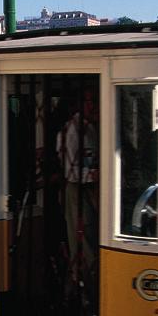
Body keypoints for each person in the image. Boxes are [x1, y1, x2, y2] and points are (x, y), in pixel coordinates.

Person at [56, 90, 99, 284]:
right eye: (91, 101)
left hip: (94, 190)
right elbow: (70, 170)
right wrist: (93, 174)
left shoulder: (94, 127)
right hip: (77, 190)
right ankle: (81, 287)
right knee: (83, 239)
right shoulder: (72, 130)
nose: (95, 106)